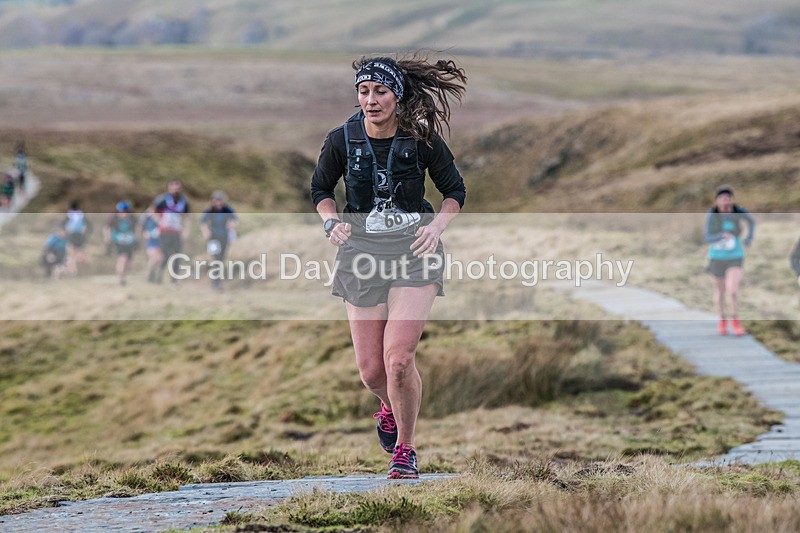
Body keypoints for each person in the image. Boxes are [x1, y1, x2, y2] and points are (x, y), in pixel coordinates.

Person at [310, 54, 467, 479]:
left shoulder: (422, 138)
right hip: (360, 256)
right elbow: (321, 188)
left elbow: (454, 191)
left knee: (399, 359)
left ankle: (405, 449)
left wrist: (436, 228)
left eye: (380, 91)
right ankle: (389, 407)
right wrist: (330, 222)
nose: (371, 100)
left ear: (397, 95)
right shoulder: (342, 139)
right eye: (364, 91)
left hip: (415, 253)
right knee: (372, 371)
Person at [704, 186, 755, 336]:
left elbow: (751, 222)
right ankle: (722, 320)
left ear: (731, 200)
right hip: (717, 257)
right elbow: (706, 236)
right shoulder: (712, 214)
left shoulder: (738, 211)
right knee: (720, 292)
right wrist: (720, 236)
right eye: (722, 199)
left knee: (732, 290)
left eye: (727, 198)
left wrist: (749, 238)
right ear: (717, 201)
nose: (725, 201)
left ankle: (735, 320)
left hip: (735, 256)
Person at [152, 179, 191, 284]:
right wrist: (160, 222)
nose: (175, 190)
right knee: (164, 255)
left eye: (177, 188)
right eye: (173, 188)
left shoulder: (184, 201)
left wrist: (186, 231)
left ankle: (174, 279)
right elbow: (153, 213)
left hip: (176, 232)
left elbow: (187, 217)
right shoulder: (162, 200)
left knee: (177, 256)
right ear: (169, 188)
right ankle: (158, 275)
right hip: (164, 232)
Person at [200, 190, 238, 290]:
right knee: (216, 259)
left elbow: (235, 220)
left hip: (224, 237)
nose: (218, 202)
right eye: (216, 200)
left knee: (221, 259)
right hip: (213, 239)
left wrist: (232, 225)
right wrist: (206, 231)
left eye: (220, 200)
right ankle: (215, 283)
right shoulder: (210, 211)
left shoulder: (227, 210)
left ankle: (218, 282)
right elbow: (203, 222)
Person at [104, 201, 138, 286]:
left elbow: (138, 228)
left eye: (125, 211)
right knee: (122, 259)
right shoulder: (113, 218)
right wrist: (107, 238)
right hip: (118, 241)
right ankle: (120, 278)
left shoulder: (133, 218)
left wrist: (137, 239)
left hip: (130, 242)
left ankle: (123, 275)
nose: (123, 214)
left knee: (129, 264)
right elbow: (106, 228)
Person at [63, 201, 92, 276]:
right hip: (80, 237)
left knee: (72, 255)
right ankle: (82, 269)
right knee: (80, 254)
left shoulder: (69, 215)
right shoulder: (81, 215)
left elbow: (63, 225)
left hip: (72, 236)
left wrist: (64, 232)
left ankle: (73, 272)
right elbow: (89, 226)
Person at [140, 206, 163, 283]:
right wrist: (145, 234)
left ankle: (156, 276)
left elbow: (163, 225)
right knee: (154, 258)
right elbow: (142, 229)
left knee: (160, 259)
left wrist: (156, 217)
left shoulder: (160, 216)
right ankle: (150, 275)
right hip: (151, 241)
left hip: (160, 241)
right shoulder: (146, 218)